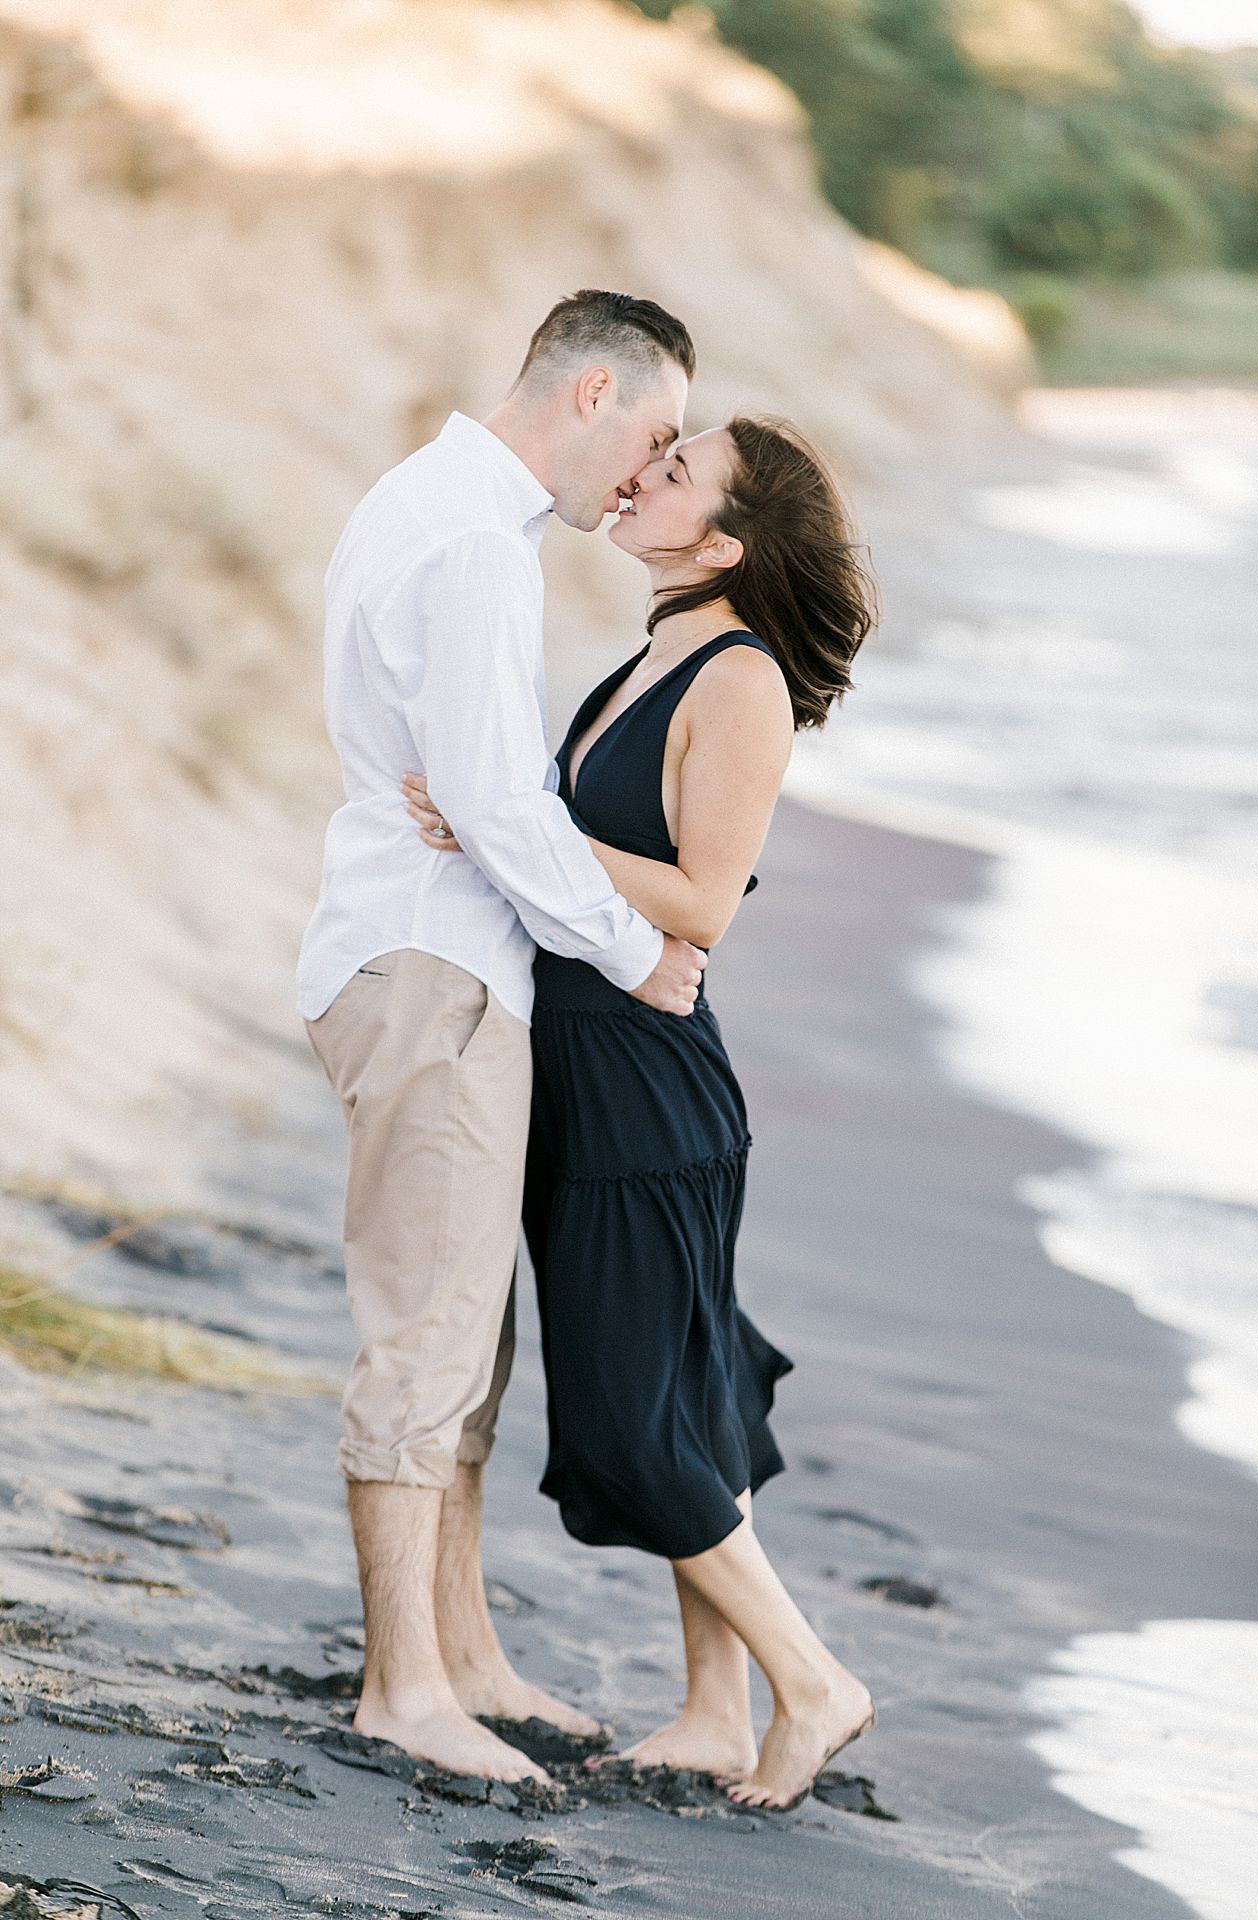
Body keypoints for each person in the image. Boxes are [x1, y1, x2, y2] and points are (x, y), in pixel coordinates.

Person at [403, 412, 880, 1810]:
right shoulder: (657, 651)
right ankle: (716, 1712)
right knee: (689, 1385)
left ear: (723, 544)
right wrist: (515, 827)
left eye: (679, 473)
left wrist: (511, 825)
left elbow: (701, 902)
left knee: (630, 1414)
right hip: (600, 1063)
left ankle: (814, 1682)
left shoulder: (737, 682)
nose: (645, 473)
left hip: (643, 1085)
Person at [297, 290, 709, 1787]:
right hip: (433, 968)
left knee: (470, 1334)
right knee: (426, 1338)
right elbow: (491, 806)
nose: (647, 473)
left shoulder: (440, 502)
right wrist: (638, 954)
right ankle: (403, 1687)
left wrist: (494, 801)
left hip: (434, 959)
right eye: (653, 435)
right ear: (591, 391)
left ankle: (464, 1655)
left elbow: (480, 787)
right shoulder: (474, 541)